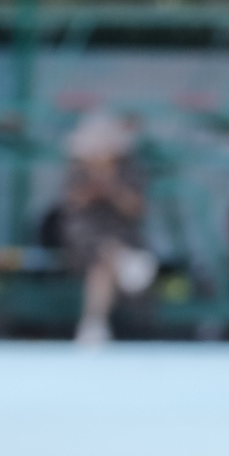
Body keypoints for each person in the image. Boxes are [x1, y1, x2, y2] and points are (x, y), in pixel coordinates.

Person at [58, 111, 156, 347]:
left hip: (122, 236)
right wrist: (95, 183)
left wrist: (112, 187)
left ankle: (93, 324)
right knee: (104, 255)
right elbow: (72, 202)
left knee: (103, 263)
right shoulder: (78, 168)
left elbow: (136, 208)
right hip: (83, 235)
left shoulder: (128, 168)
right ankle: (122, 264)